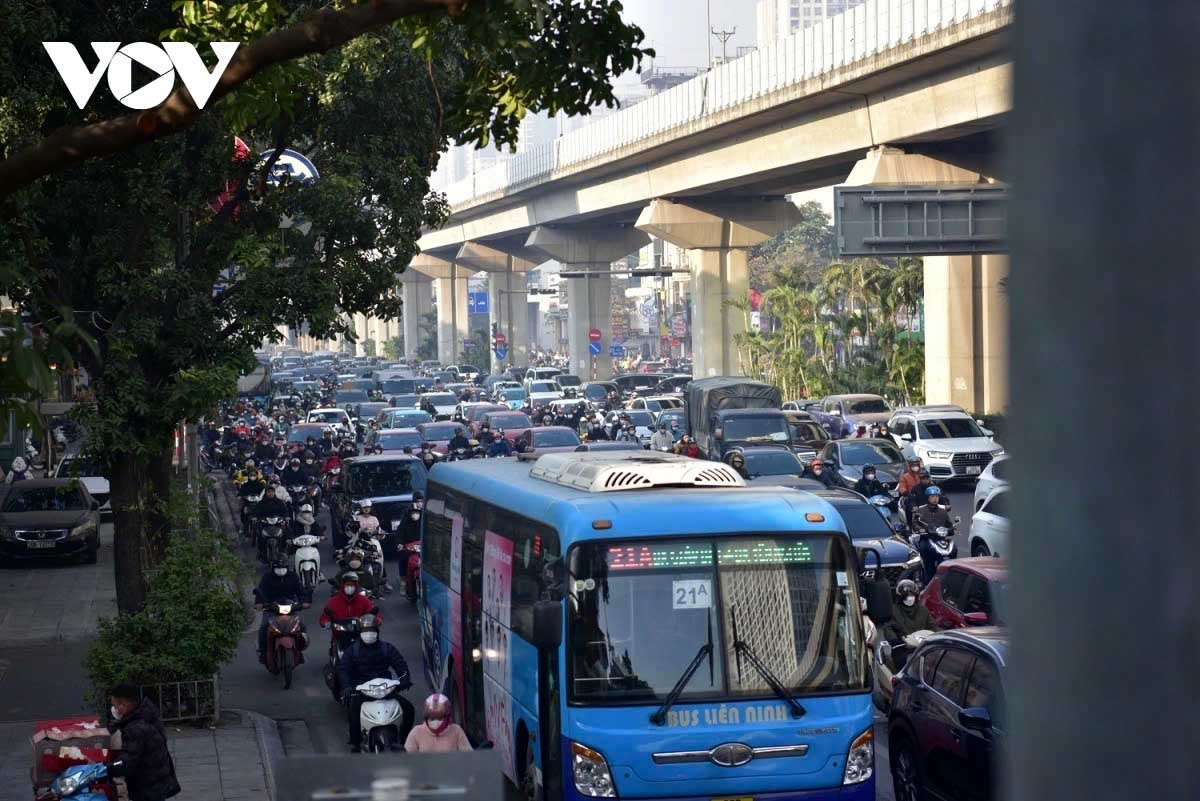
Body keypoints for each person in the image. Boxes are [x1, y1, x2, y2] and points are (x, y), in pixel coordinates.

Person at [337, 615, 414, 753]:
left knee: (409, 709)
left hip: (387, 691)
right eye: (366, 629)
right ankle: (356, 744)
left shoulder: (387, 648)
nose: (369, 632)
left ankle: (405, 738)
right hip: (362, 693)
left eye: (372, 629)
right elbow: (343, 670)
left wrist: (405, 679)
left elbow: (400, 665)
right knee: (354, 716)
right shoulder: (352, 651)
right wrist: (347, 687)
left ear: (377, 631)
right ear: (360, 632)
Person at [107, 685, 181, 801]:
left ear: (124, 705)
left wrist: (104, 769)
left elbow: (127, 761)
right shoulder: (147, 714)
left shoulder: (135, 728)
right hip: (157, 780)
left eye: (114, 705)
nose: (113, 709)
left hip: (147, 786)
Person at [254, 559, 305, 659]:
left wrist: (304, 601)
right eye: (278, 568)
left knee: (301, 627)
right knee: (264, 628)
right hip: (271, 607)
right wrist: (259, 603)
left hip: (291, 606)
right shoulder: (267, 577)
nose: (281, 570)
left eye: (283, 567)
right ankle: (263, 652)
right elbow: (261, 591)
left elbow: (301, 591)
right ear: (273, 568)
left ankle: (299, 650)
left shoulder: (293, 577)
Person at [881, 579, 934, 670]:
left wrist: (935, 635)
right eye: (906, 596)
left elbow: (932, 626)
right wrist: (895, 640)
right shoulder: (893, 611)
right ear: (901, 597)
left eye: (912, 595)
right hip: (902, 649)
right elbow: (888, 627)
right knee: (901, 664)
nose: (910, 598)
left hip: (922, 648)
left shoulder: (923, 610)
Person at [404, 693, 472, 753]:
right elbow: (407, 759)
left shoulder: (456, 731)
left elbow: (469, 757)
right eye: (432, 718)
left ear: (447, 717)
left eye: (440, 718)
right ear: (426, 718)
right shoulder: (416, 732)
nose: (436, 722)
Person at [912, 486, 954, 582]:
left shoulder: (943, 511)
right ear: (928, 498)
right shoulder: (920, 510)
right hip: (927, 538)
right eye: (932, 497)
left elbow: (949, 524)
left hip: (940, 539)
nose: (935, 499)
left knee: (954, 548)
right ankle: (925, 574)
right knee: (924, 549)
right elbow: (915, 523)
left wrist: (952, 529)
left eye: (936, 496)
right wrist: (920, 529)